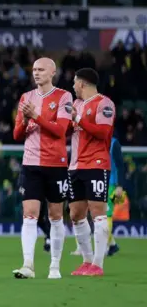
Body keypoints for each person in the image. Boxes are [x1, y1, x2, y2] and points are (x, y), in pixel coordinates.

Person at [12, 57, 72, 280]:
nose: (36, 73)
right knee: (29, 215)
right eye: (34, 69)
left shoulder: (64, 96)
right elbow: (17, 134)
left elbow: (61, 130)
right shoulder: (26, 98)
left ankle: (54, 266)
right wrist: (26, 120)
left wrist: (36, 116)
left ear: (52, 72)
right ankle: (28, 265)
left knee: (56, 216)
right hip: (31, 164)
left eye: (41, 70)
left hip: (55, 163)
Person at [68, 68, 115, 277]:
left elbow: (103, 132)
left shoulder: (104, 104)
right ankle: (86, 261)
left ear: (82, 83)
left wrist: (78, 119)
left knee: (98, 212)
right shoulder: (76, 105)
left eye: (74, 82)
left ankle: (98, 264)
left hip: (96, 163)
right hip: (75, 166)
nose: (72, 86)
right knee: (76, 214)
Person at [107, 136, 124, 256]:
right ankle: (112, 244)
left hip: (111, 184)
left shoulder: (114, 143)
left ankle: (107, 245)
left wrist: (120, 185)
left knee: (106, 214)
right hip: (98, 182)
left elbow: (120, 165)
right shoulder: (96, 139)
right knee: (97, 216)